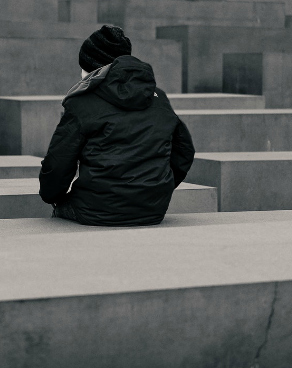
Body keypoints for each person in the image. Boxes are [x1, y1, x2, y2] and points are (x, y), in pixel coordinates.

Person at [39, 25, 195, 226]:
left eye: (84, 67)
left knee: (58, 215)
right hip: (153, 209)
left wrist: (51, 196)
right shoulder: (158, 98)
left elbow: (58, 162)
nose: (80, 74)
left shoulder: (82, 103)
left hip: (96, 210)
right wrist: (157, 188)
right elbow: (184, 151)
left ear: (96, 69)